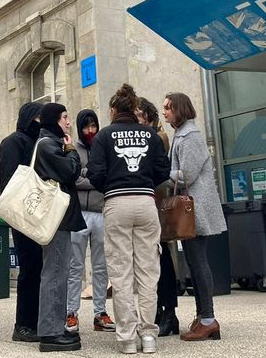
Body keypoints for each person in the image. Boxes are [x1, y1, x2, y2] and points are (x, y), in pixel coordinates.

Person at [88, 85, 171, 354]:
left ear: (113, 110)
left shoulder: (104, 136)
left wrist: (111, 185)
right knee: (148, 272)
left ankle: (126, 338)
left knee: (121, 273)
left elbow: (95, 173)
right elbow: (163, 170)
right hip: (146, 201)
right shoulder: (150, 134)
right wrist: (144, 181)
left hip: (116, 202)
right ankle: (148, 335)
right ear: (134, 108)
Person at [163, 92, 227, 342]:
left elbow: (186, 174)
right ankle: (203, 317)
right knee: (194, 261)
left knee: (198, 262)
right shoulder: (183, 134)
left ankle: (208, 319)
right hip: (192, 209)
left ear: (180, 109)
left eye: (168, 107)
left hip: (195, 209)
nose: (165, 111)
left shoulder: (190, 136)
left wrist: (162, 172)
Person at [34, 102, 85, 353]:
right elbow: (70, 172)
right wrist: (72, 150)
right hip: (55, 218)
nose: (68, 121)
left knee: (59, 271)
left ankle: (55, 326)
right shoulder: (48, 144)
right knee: (55, 271)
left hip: (59, 217)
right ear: (54, 119)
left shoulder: (51, 143)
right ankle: (50, 333)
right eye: (65, 117)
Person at [0, 101, 44, 343]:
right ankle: (23, 324)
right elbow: (10, 182)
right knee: (29, 268)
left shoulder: (37, 141)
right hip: (22, 214)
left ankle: (36, 321)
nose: (41, 123)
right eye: (38, 118)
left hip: (38, 213)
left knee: (38, 268)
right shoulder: (13, 142)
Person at [66, 109, 115, 334]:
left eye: (93, 125)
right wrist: (92, 176)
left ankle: (100, 313)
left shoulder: (103, 146)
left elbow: (106, 177)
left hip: (100, 211)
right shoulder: (73, 148)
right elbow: (72, 176)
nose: (90, 131)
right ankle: (71, 313)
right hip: (79, 214)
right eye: (86, 127)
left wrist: (88, 176)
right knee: (75, 266)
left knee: (100, 266)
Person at [139, 98, 178, 337]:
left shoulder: (157, 137)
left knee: (162, 261)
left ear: (149, 118)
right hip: (150, 204)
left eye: (140, 117)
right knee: (151, 262)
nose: (138, 121)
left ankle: (168, 312)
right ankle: (158, 311)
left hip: (158, 205)